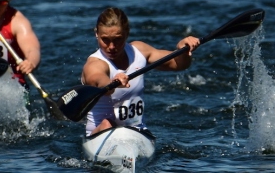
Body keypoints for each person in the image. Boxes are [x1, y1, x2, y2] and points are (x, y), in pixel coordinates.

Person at [82, 7, 201, 136]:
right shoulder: (94, 64)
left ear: (127, 33)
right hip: (101, 135)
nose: (111, 47)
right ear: (96, 34)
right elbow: (98, 80)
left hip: (137, 132)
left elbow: (178, 64)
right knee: (107, 123)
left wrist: (183, 49)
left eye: (117, 39)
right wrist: (113, 83)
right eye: (105, 40)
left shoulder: (139, 51)